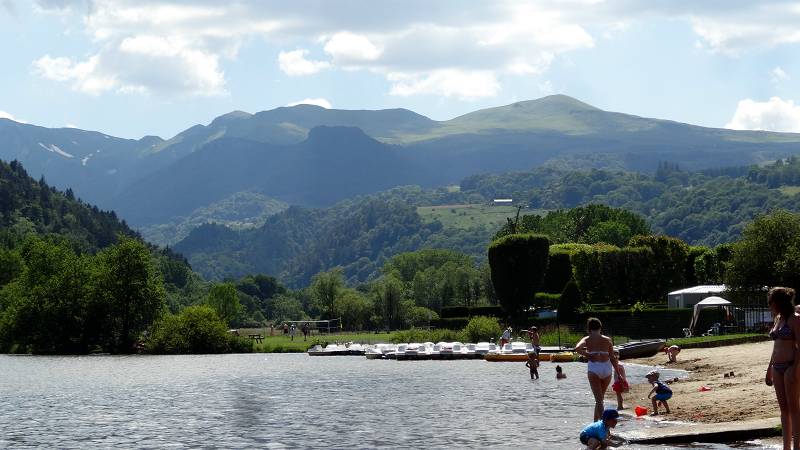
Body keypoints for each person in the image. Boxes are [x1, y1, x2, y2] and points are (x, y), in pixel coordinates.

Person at [765, 287, 800, 450]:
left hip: (791, 366)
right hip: (777, 367)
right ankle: (786, 447)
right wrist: (769, 368)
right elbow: (775, 346)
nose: (769, 305)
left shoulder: (795, 319)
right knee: (783, 409)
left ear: (779, 302)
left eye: (771, 302)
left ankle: (797, 446)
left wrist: (795, 367)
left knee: (794, 408)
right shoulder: (778, 318)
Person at [575, 317, 625, 421]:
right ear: (600, 327)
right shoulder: (607, 339)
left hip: (594, 369)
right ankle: (595, 422)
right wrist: (618, 373)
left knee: (599, 400)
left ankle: (603, 427)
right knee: (600, 399)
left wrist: (587, 354)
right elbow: (612, 357)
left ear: (589, 328)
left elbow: (577, 348)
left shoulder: (587, 339)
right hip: (607, 369)